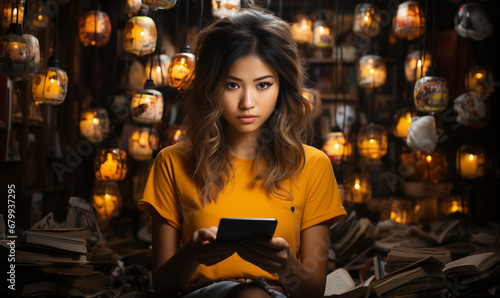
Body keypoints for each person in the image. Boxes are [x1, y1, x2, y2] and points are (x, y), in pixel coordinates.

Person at [138, 8, 346, 298]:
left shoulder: (313, 165)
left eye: (263, 85)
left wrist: (285, 264)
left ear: (282, 86)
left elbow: (312, 291)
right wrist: (192, 254)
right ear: (211, 87)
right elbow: (162, 285)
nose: (247, 102)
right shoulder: (172, 162)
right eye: (232, 84)